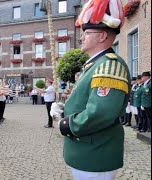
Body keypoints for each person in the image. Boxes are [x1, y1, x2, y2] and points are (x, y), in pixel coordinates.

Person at [53, 0, 131, 179]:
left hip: (95, 154)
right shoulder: (96, 65)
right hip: (87, 151)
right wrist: (64, 109)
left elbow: (99, 113)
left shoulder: (109, 66)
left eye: (86, 32)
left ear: (102, 36)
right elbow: (85, 101)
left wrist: (66, 124)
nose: (81, 37)